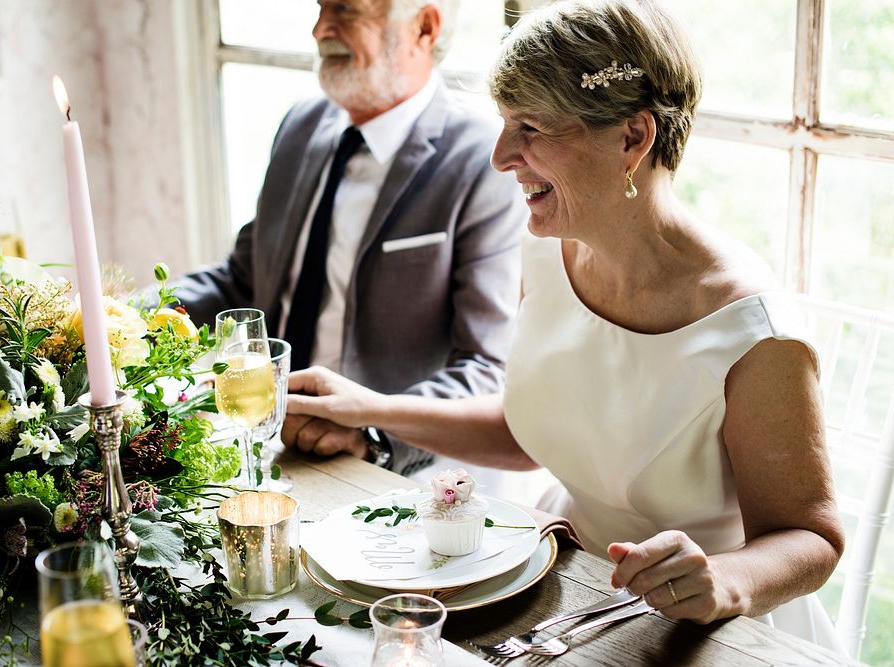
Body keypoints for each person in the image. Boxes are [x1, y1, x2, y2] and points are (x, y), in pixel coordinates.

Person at [283, 0, 846, 649]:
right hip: (570, 593)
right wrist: (370, 409)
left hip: (715, 633)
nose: (500, 156)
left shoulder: (754, 333)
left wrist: (723, 578)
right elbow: (536, 429)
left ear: (632, 138)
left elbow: (813, 537)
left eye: (529, 126)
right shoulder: (548, 252)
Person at [166, 0, 527, 475]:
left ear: (424, 26)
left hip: (395, 474)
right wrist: (130, 315)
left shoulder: (484, 159)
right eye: (320, 8)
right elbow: (242, 280)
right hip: (265, 441)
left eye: (345, 10)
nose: (319, 29)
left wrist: (372, 434)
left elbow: (485, 367)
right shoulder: (301, 124)